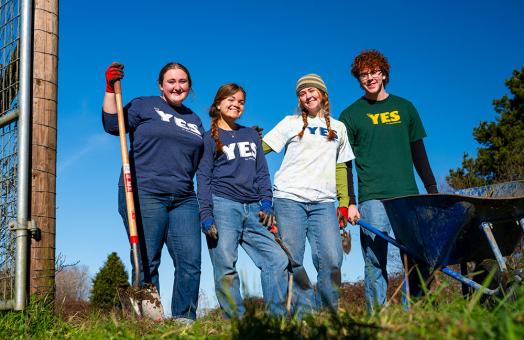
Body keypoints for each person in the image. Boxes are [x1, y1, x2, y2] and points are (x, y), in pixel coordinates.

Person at [102, 62, 203, 321]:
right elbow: (113, 124)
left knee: (190, 263)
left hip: (184, 198)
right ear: (161, 85)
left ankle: (184, 322)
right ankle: (151, 322)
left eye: (182, 81)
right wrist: (110, 88)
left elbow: (204, 158)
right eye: (171, 81)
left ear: (189, 87)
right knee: (148, 261)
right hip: (145, 191)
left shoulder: (194, 119)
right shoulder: (144, 105)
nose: (177, 86)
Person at [339, 49, 438, 312]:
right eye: (363, 74)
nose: (369, 77)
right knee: (374, 261)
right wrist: (349, 202)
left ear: (383, 74)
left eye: (374, 72)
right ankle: (377, 321)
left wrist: (432, 189)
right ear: (358, 79)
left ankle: (419, 315)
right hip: (372, 198)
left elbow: (419, 151)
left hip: (408, 196)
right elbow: (345, 163)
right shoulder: (350, 115)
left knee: (417, 258)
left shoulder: (405, 107)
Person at [262, 74, 355, 314]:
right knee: (292, 260)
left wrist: (344, 204)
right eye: (302, 93)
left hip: (324, 203)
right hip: (289, 198)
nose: (307, 96)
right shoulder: (290, 123)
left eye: (312, 91)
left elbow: (341, 167)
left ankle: (326, 313)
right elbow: (262, 148)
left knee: (332, 259)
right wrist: (241, 140)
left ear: (323, 94)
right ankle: (301, 316)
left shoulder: (338, 127)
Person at [196, 83, 289, 318]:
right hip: (223, 205)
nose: (236, 104)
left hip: (256, 208)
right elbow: (203, 178)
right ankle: (236, 322)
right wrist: (206, 215)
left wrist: (267, 202)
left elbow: (262, 172)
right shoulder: (208, 139)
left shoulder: (250, 134)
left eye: (241, 101)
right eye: (231, 99)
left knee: (277, 259)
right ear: (218, 103)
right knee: (226, 266)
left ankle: (276, 320)